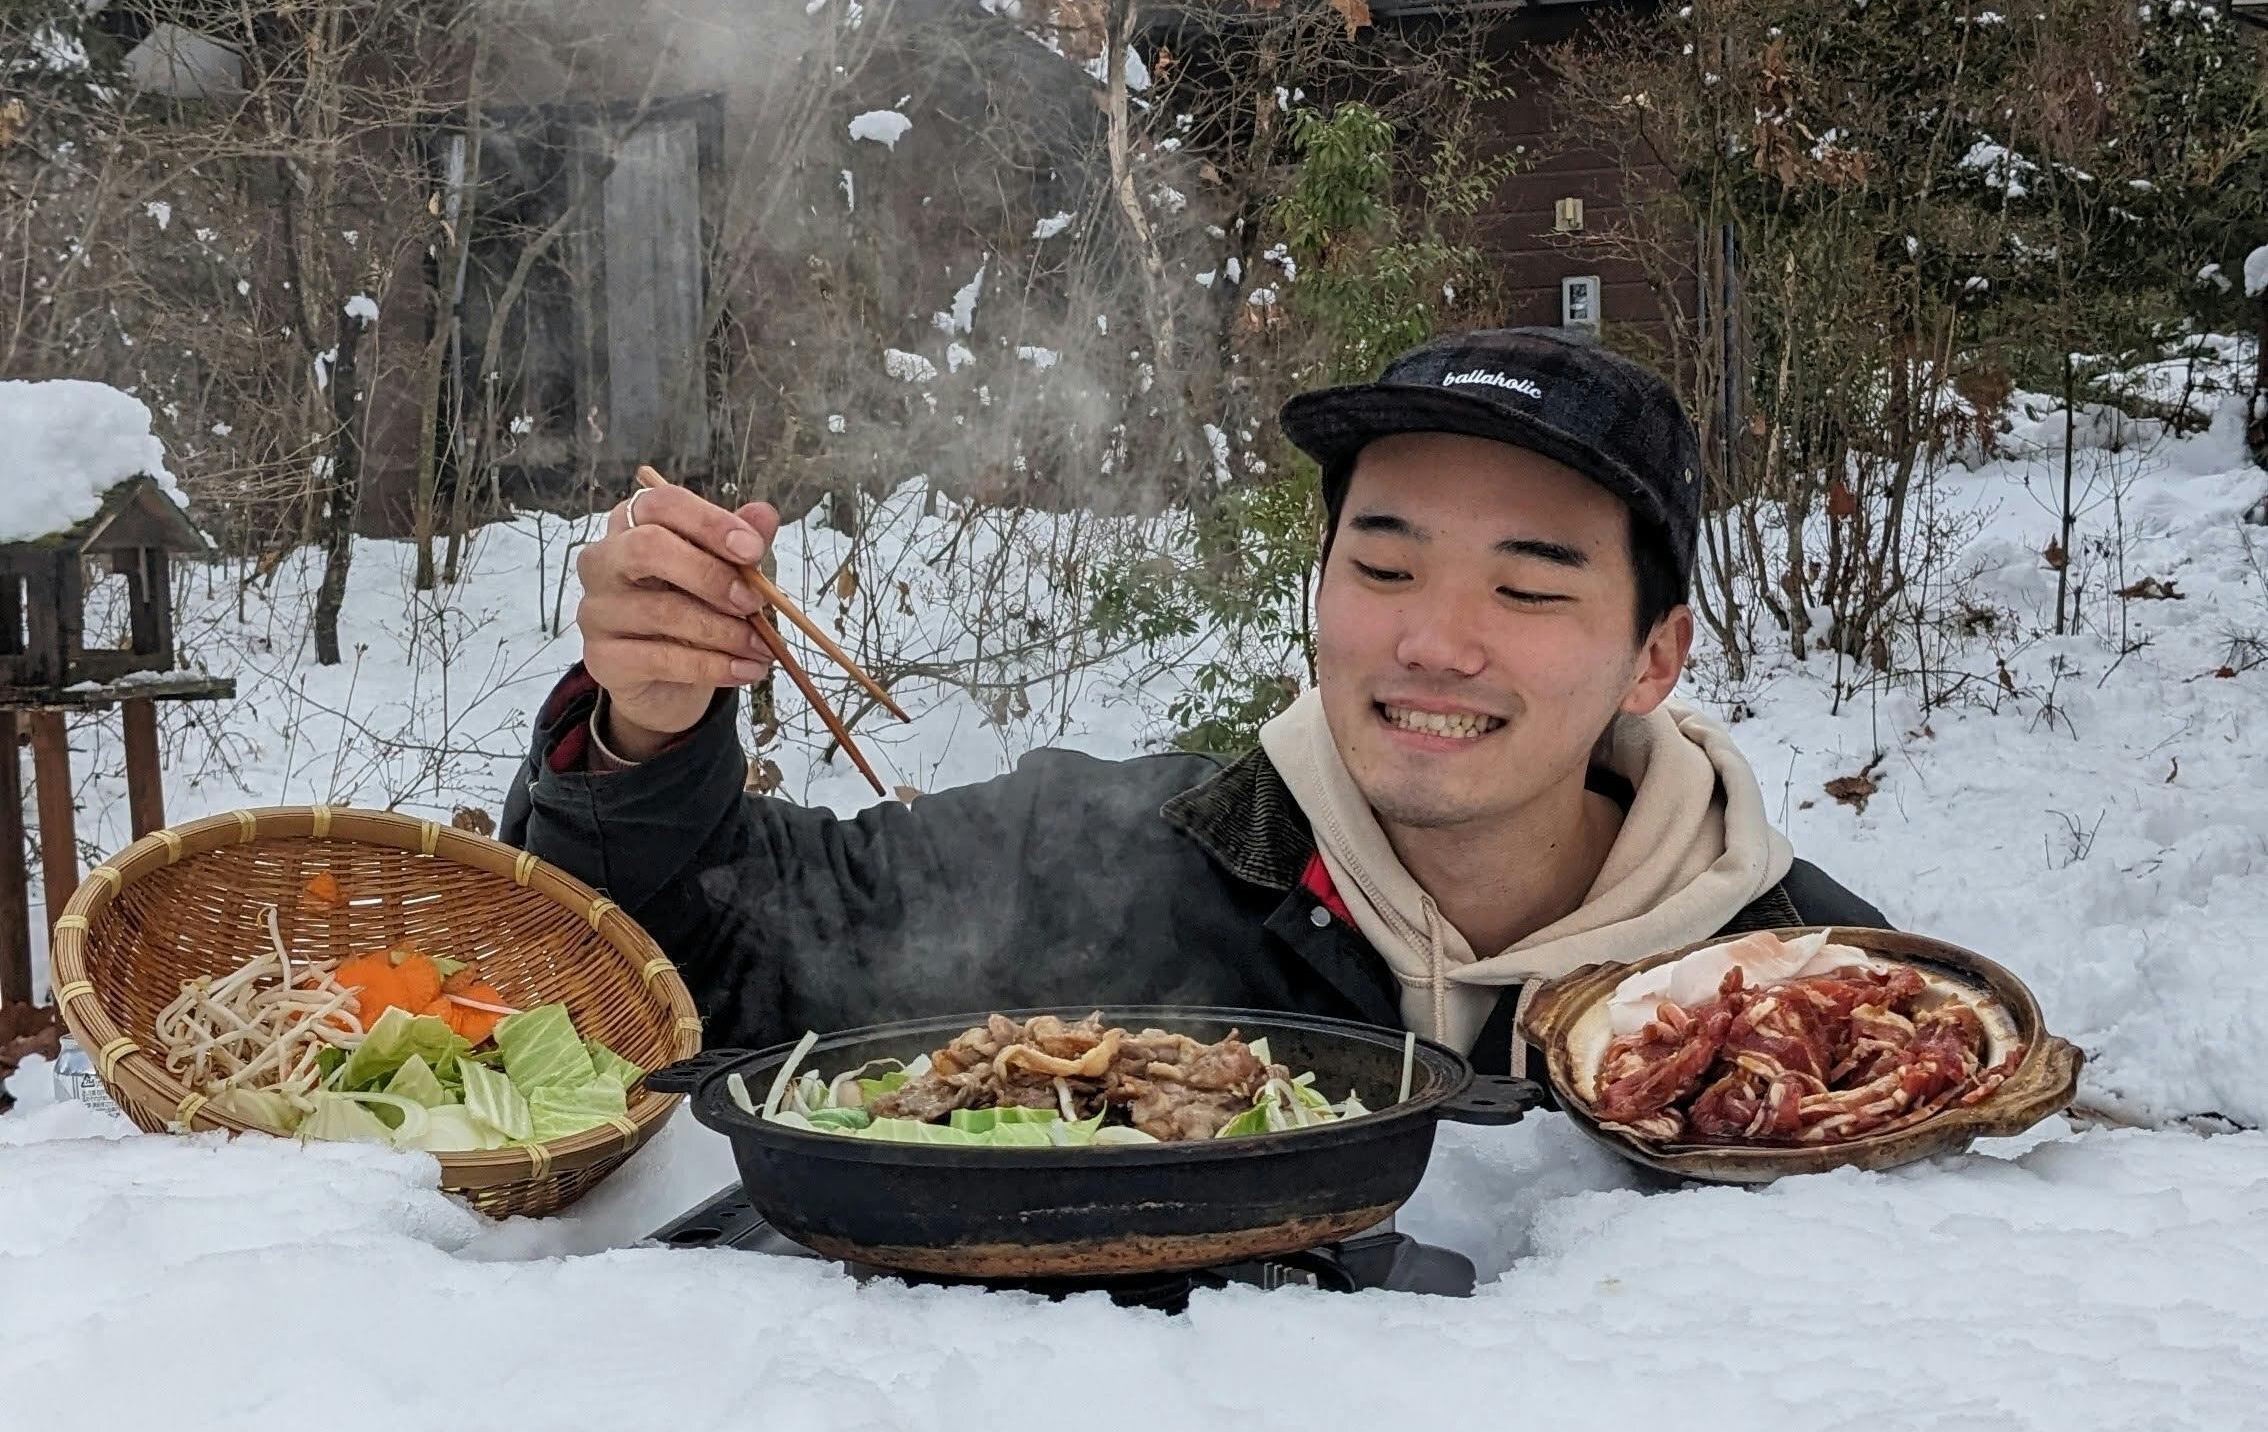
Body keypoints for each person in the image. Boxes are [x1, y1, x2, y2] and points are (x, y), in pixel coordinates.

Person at [501, 333, 1879, 1072]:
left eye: (1526, 590)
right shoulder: (1119, 862)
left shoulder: (1813, 989)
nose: (1435, 644)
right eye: (1384, 568)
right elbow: (680, 960)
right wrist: (646, 729)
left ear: (1654, 658)